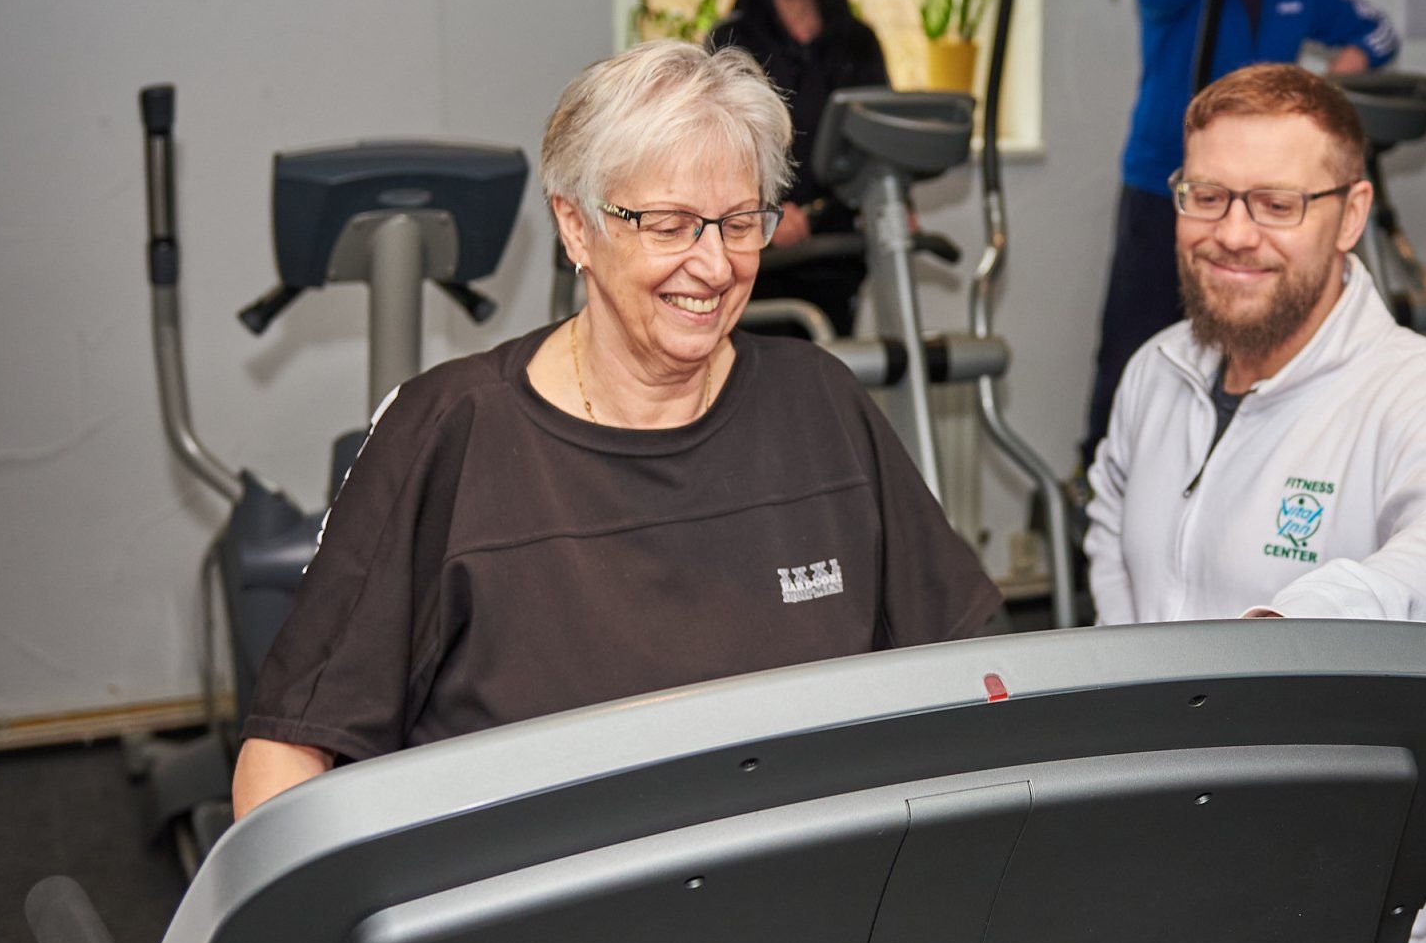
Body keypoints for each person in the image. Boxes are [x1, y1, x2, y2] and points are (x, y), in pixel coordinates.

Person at [232, 41, 1001, 819]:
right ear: (576, 226)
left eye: (740, 223)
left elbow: (975, 675)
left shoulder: (823, 406)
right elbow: (288, 757)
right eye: (670, 225)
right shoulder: (447, 435)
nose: (714, 265)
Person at [1085, 65, 1426, 943]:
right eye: (1206, 195)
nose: (1233, 233)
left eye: (1277, 203)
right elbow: (1109, 517)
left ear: (1352, 211)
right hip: (1166, 907)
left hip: (1351, 941)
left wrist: (1292, 638)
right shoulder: (1156, 373)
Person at [1081, 0, 1399, 469]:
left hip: (1268, 199)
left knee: (1258, 331)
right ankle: (1099, 475)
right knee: (1133, 342)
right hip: (1164, 190)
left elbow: (1378, 31)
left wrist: (1344, 72)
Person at [707, 0, 889, 336]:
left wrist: (890, 196)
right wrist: (765, 213)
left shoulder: (858, 42)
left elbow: (880, 141)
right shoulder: (731, 42)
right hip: (760, 255)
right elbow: (715, 153)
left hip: (836, 249)